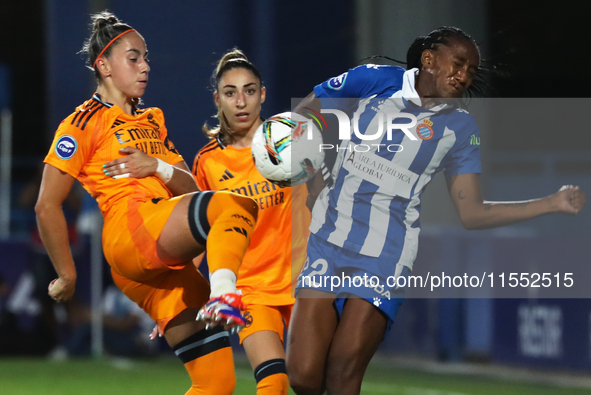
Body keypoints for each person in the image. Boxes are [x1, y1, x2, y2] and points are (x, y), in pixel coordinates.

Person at [286, 26, 587, 395]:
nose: (463, 77)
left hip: (386, 256)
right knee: (302, 376)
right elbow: (304, 114)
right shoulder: (373, 80)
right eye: (458, 64)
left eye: (471, 72)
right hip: (327, 239)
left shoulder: (460, 128)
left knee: (342, 375)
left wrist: (549, 203)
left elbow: (472, 212)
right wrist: (312, 173)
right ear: (429, 60)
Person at [35, 12, 258, 395]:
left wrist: (155, 166)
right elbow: (46, 205)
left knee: (216, 384)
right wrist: (67, 275)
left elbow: (188, 187)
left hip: (155, 258)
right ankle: (225, 295)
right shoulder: (83, 122)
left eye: (146, 57)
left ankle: (219, 294)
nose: (146, 67)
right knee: (236, 206)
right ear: (103, 66)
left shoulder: (151, 120)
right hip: (131, 230)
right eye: (134, 58)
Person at [192, 48, 312, 395]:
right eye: (230, 93)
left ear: (262, 94)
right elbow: (203, 234)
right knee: (273, 383)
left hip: (308, 283)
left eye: (249, 90)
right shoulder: (208, 162)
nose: (240, 101)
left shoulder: (291, 138)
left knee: (320, 382)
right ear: (218, 99)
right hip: (253, 290)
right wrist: (173, 301)